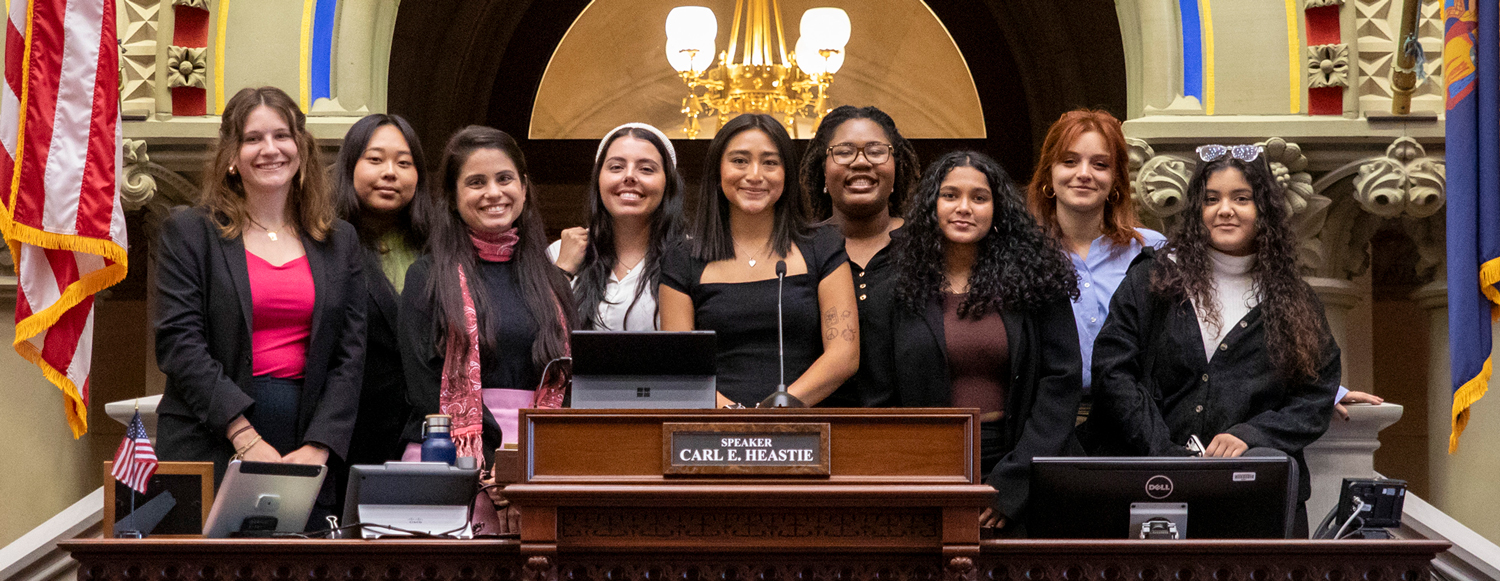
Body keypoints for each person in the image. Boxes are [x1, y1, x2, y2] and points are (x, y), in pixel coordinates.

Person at [1091, 143, 1341, 537]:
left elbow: (1315, 396)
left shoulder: (1295, 299)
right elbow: (1113, 371)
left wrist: (1251, 435)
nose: (1225, 210)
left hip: (1254, 503)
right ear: (1197, 210)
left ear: (1264, 210)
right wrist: (1165, 454)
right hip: (1152, 488)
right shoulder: (1154, 279)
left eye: (1241, 198)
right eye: (1212, 199)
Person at [154, 87, 366, 508]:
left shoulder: (340, 241)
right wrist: (244, 437)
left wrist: (319, 446)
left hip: (306, 441)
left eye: (282, 135)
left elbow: (350, 356)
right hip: (210, 436)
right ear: (231, 156)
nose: (270, 149)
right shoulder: (191, 233)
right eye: (253, 139)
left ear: (301, 147)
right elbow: (180, 344)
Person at [889, 150, 1082, 536]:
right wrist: (920, 479)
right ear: (931, 205)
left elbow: (1060, 382)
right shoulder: (894, 287)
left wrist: (1012, 485)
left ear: (997, 210)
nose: (964, 208)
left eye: (979, 198)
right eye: (950, 195)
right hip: (923, 471)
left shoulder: (1037, 282)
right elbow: (880, 396)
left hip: (1022, 465)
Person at [398, 125, 575, 461]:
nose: (494, 192)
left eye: (505, 179)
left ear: (524, 188)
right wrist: (498, 465)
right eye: (476, 182)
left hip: (544, 455)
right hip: (451, 452)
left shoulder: (555, 282)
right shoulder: (426, 277)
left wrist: (527, 466)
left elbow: (569, 383)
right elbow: (423, 387)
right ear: (452, 197)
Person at [660, 113, 859, 407]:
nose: (755, 175)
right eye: (739, 161)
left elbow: (844, 354)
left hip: (806, 430)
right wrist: (735, 418)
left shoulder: (822, 245)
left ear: (786, 173)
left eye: (770, 162)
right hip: (714, 435)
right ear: (718, 170)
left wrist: (777, 409)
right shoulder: (682, 258)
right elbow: (681, 366)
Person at [1026, 110, 1165, 416]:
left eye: (1100, 164)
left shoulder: (1151, 249)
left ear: (1116, 179)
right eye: (1069, 161)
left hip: (1135, 418)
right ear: (1050, 172)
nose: (1084, 173)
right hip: (1046, 418)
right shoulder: (1022, 253)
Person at [799, 106, 920, 407]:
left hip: (913, 432)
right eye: (844, 152)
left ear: (897, 167)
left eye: (877, 151)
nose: (862, 162)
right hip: (813, 434)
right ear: (822, 169)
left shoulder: (927, 246)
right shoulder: (797, 251)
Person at [332, 114, 428, 468]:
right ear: (350, 166)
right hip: (350, 431)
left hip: (426, 433)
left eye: (404, 163)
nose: (390, 172)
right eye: (375, 160)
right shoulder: (325, 243)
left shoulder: (439, 246)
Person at [548, 123, 684, 330]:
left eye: (646, 169)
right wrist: (563, 271)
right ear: (598, 180)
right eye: (616, 167)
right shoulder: (560, 252)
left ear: (668, 184)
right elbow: (536, 335)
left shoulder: (690, 257)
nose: (629, 176)